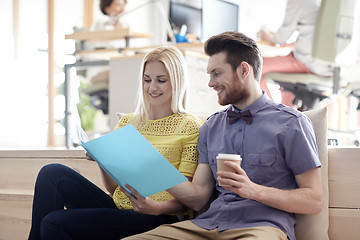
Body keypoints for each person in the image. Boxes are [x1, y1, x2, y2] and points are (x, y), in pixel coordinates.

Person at [122, 32, 324, 240]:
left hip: (261, 228)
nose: (211, 83)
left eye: (216, 74)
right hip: (207, 225)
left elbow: (314, 200)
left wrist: (252, 190)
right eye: (209, 75)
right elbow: (198, 199)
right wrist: (150, 163)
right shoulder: (211, 126)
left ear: (244, 70)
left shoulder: (292, 123)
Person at [28, 46, 203, 240]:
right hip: (120, 207)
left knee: (54, 223)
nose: (152, 87)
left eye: (161, 80)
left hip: (159, 216)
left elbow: (187, 196)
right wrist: (102, 160)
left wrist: (156, 208)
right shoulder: (128, 122)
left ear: (177, 81)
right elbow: (114, 189)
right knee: (51, 172)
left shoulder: (190, 127)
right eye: (147, 80)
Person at [257, 0, 333, 108]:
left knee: (254, 67)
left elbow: (280, 38)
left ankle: (271, 113)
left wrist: (266, 35)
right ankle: (285, 118)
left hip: (307, 63)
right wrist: (296, 44)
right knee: (287, 83)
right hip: (327, 67)